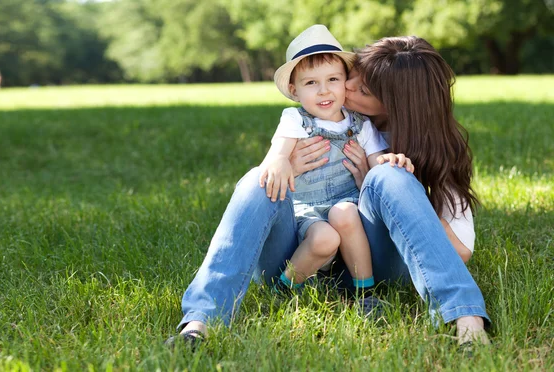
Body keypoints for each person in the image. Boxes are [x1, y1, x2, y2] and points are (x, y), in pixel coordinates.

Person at [165, 31, 490, 350]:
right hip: (298, 253)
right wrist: (285, 167)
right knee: (256, 179)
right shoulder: (317, 120)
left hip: (371, 264)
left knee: (389, 175)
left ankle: (466, 319)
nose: (343, 86)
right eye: (353, 73)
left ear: (391, 104)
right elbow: (277, 171)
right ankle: (200, 321)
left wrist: (373, 186)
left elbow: (460, 250)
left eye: (360, 86)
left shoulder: (422, 147)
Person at [257, 25, 412, 309]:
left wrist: (387, 161)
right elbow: (278, 152)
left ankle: (363, 293)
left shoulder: (360, 123)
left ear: (345, 82)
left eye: (332, 79)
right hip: (307, 209)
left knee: (346, 213)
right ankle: (286, 288)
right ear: (294, 90)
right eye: (311, 83)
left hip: (347, 201)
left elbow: (375, 158)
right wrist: (279, 160)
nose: (324, 90)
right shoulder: (295, 119)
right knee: (324, 239)